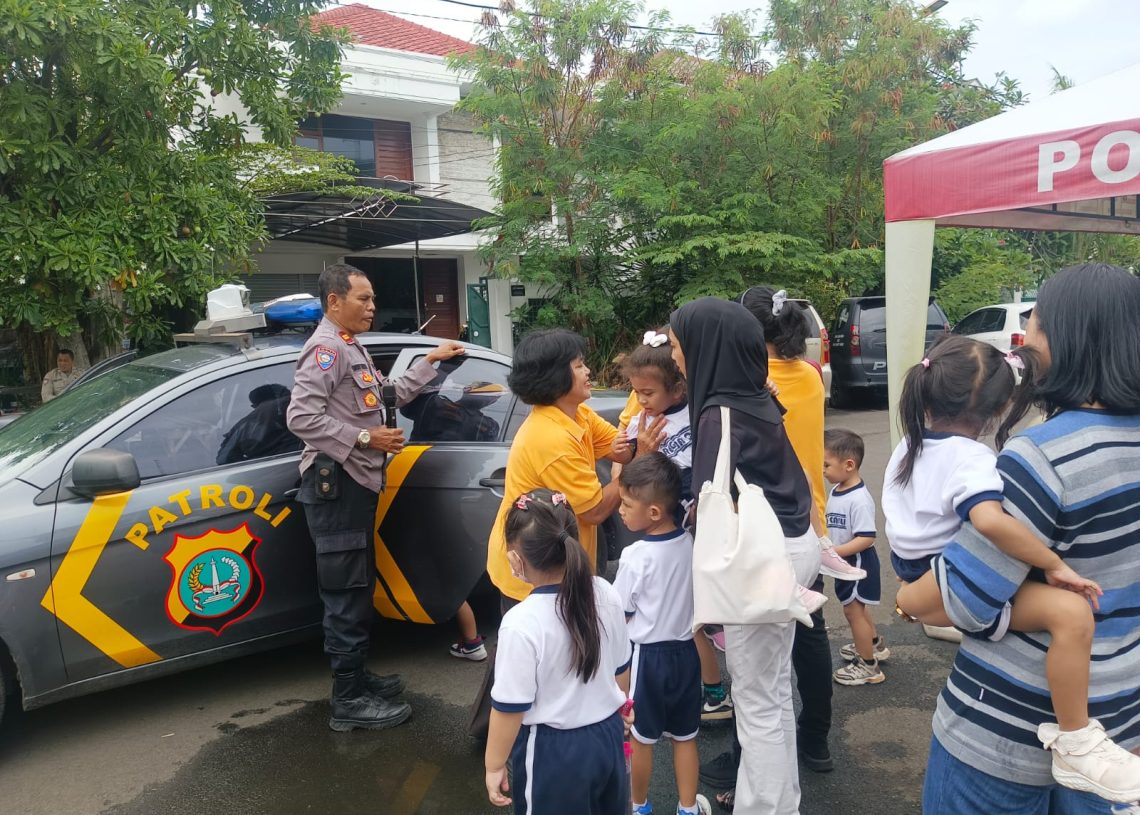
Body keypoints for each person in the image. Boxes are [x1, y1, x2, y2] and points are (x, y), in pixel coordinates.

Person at [886, 312, 1140, 808]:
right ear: (1000, 406)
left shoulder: (1031, 455)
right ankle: (1078, 737)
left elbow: (962, 600)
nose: (1027, 335)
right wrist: (1054, 564)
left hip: (1003, 723)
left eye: (1038, 323)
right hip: (1122, 707)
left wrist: (907, 600)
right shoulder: (981, 460)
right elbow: (990, 523)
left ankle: (1075, 740)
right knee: (1071, 611)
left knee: (1069, 611)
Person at [287, 262, 465, 733]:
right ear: (334, 302)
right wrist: (367, 441)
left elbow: (385, 395)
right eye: (363, 299)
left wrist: (431, 362)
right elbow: (301, 418)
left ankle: (358, 677)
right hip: (338, 485)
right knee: (345, 593)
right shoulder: (325, 350)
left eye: (371, 299)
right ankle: (348, 700)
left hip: (356, 485)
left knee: (357, 587)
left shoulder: (348, 346)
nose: (372, 306)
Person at [469, 329, 665, 738]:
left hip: (557, 555)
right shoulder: (551, 437)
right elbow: (595, 509)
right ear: (557, 378)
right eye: (579, 366)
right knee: (527, 653)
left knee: (536, 648)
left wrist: (637, 433)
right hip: (531, 563)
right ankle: (506, 740)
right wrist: (638, 461)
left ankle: (506, 731)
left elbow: (617, 447)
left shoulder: (574, 415)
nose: (589, 371)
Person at [669, 297, 820, 815]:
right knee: (773, 692)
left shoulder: (720, 412)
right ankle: (777, 802)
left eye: (676, 346)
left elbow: (709, 499)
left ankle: (767, 808)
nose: (674, 357)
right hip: (791, 548)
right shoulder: (757, 396)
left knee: (757, 699)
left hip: (761, 561)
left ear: (704, 346)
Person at [485, 489, 634, 813]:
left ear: (515, 559)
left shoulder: (520, 623)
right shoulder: (605, 593)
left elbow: (509, 708)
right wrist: (622, 708)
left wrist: (494, 765)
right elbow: (621, 671)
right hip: (608, 736)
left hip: (555, 752)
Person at [613, 453, 711, 815]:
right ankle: (687, 808)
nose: (620, 511)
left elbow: (620, 613)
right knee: (686, 738)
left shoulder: (635, 556)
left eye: (626, 504)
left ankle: (639, 807)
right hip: (687, 654)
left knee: (641, 739)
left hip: (647, 659)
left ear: (653, 512)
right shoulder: (689, 544)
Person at [823, 428, 887, 686]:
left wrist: (832, 552)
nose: (823, 469)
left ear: (849, 465)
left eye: (826, 464)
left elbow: (867, 537)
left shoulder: (858, 499)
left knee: (853, 612)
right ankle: (873, 645)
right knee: (856, 608)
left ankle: (868, 665)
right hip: (845, 563)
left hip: (857, 564)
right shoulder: (838, 489)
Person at [216, 384, 302, 464]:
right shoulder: (299, 411)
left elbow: (224, 459)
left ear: (254, 406)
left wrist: (252, 462)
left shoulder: (244, 427)